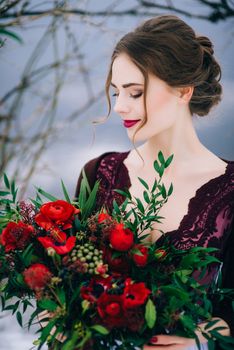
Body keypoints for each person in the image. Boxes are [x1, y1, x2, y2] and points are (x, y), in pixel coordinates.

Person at [75, 15, 234, 350]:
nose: (119, 107)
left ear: (184, 91)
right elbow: (71, 284)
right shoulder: (96, 175)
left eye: (136, 93)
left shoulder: (230, 189)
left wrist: (199, 340)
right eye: (116, 92)